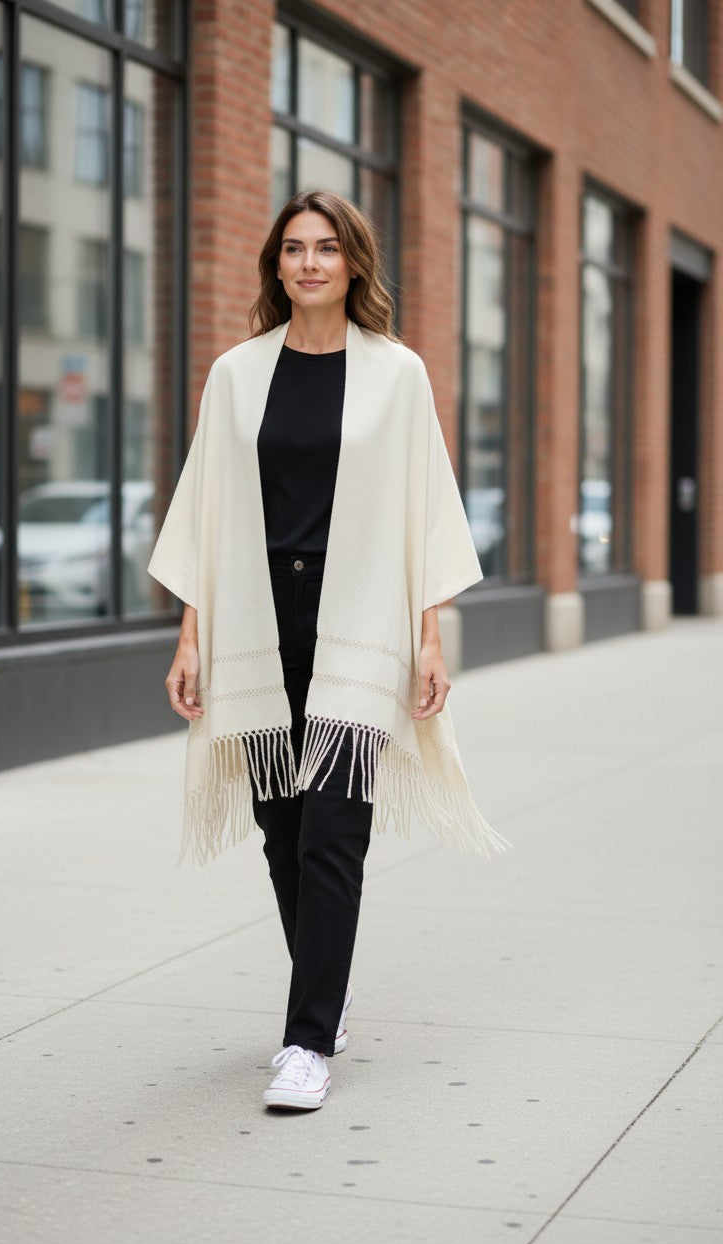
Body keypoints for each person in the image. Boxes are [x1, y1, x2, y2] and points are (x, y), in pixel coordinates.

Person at [147, 189, 506, 1113]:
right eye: (295, 248)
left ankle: (306, 1042)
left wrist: (429, 635)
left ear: (353, 264)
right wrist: (190, 635)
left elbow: (424, 509)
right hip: (257, 617)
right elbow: (205, 510)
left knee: (335, 832)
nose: (310, 263)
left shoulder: (397, 374)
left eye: (327, 248)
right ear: (276, 264)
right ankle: (327, 995)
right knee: (282, 831)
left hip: (361, 616)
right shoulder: (236, 374)